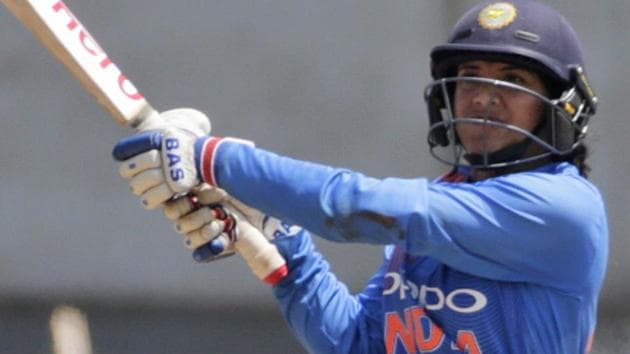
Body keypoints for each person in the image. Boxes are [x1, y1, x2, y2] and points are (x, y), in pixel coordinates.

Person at [112, 1, 608, 353]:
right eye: (471, 75)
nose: (483, 95)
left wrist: (209, 159)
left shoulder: (560, 209)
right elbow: (358, 343)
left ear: (562, 108)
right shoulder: (445, 200)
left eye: (513, 81)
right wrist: (280, 251)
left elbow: (353, 206)